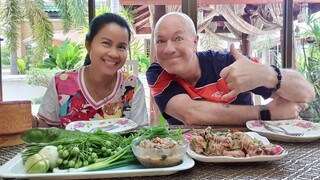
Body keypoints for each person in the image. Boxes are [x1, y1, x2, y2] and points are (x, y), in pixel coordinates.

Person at [146, 12, 315, 125]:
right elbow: (191, 114)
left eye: (178, 38)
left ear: (195, 42)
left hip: (247, 152)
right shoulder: (158, 72)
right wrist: (265, 113)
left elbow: (307, 93)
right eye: (160, 41)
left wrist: (266, 74)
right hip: (190, 158)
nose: (168, 49)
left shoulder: (227, 63)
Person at [34, 13, 148, 128]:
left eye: (121, 47)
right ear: (88, 45)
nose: (114, 54)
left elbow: (141, 134)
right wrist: (30, 121)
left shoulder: (132, 85)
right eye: (106, 43)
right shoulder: (61, 82)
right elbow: (45, 129)